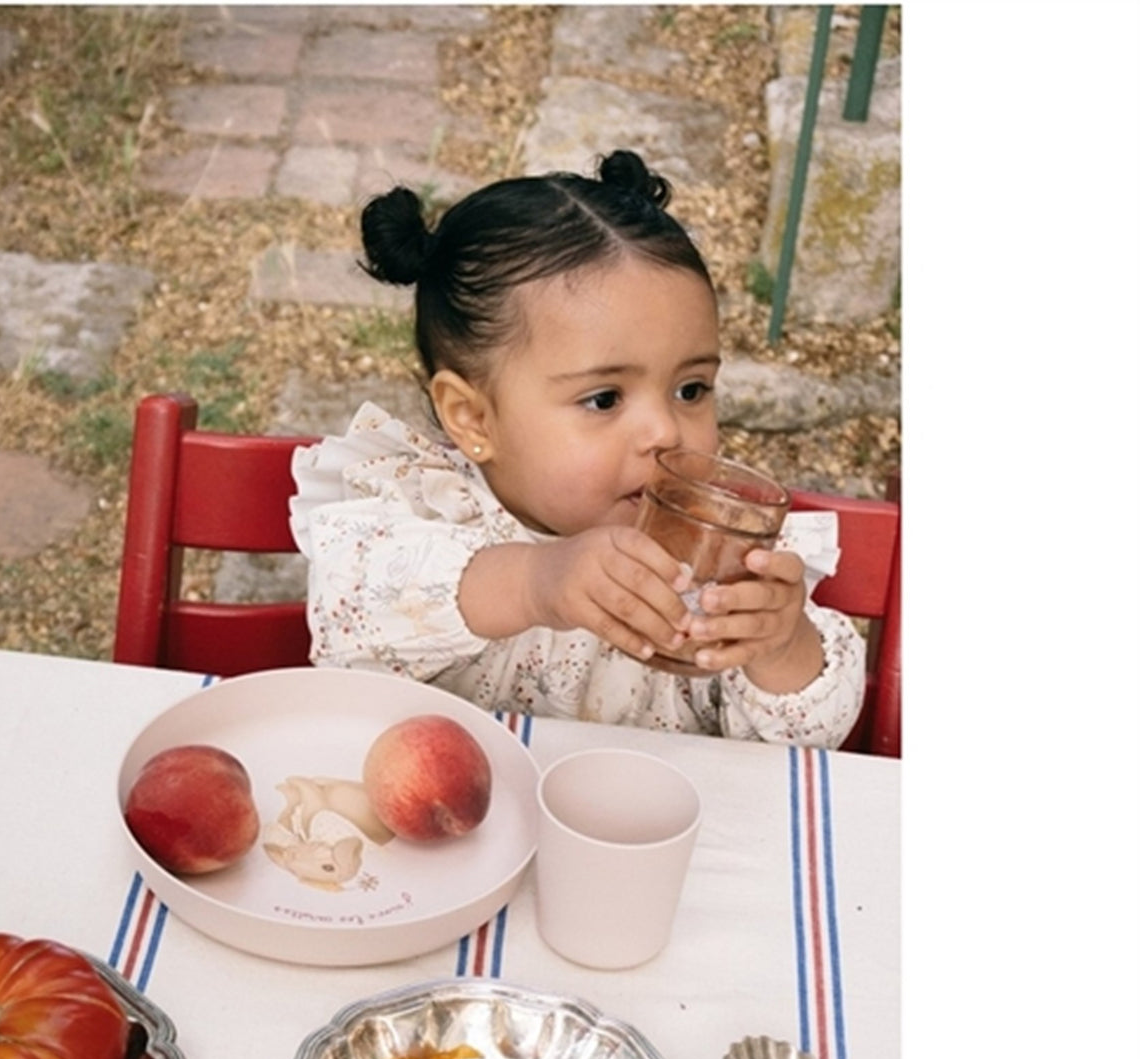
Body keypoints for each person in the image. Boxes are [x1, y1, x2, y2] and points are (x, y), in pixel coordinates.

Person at [289, 150, 865, 747]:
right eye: (604, 399)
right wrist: (535, 582)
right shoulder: (422, 510)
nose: (665, 431)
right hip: (458, 825)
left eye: (691, 389)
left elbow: (809, 744)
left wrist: (779, 643)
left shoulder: (713, 555)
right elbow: (346, 619)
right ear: (474, 418)